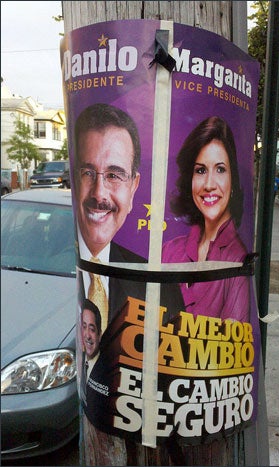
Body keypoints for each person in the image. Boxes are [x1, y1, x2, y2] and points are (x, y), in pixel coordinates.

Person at [73, 103, 185, 466]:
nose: (100, 193)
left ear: (135, 186)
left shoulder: (159, 288)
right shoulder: (72, 268)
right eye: (88, 172)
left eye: (115, 175)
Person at [162, 116, 250, 323]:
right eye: (200, 170)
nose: (209, 184)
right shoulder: (170, 250)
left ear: (233, 177)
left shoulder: (238, 260)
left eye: (220, 169)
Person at [80, 298, 102, 404]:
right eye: (84, 327)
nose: (87, 335)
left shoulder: (105, 370)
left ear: (99, 335)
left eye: (92, 329)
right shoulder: (80, 361)